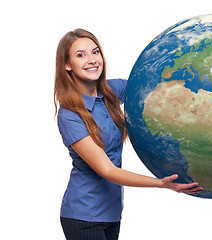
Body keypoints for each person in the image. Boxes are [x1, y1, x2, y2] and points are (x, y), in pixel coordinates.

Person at [54, 28, 203, 240]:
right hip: (83, 216)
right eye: (81, 55)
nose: (92, 60)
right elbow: (107, 170)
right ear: (67, 65)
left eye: (95, 52)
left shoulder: (110, 91)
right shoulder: (69, 115)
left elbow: (151, 87)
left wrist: (189, 69)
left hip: (112, 213)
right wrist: (161, 183)